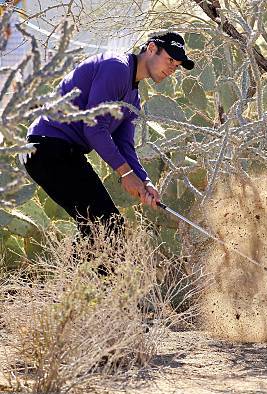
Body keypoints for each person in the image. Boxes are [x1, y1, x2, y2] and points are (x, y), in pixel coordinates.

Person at [23, 32, 195, 240]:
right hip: (47, 148)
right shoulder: (117, 67)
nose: (171, 69)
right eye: (169, 60)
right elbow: (94, 127)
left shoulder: (133, 98)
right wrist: (125, 174)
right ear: (151, 49)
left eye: (176, 65)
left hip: (65, 153)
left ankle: (74, 272)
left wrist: (145, 181)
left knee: (103, 229)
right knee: (107, 228)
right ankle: (81, 271)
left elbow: (125, 146)